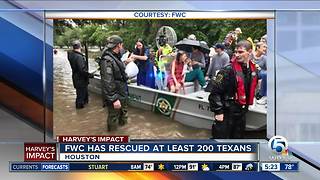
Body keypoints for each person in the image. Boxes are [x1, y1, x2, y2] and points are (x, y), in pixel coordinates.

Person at [208, 40, 258, 139]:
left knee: (237, 140)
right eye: (236, 52)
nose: (237, 55)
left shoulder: (253, 70)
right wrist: (218, 112)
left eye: (240, 52)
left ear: (250, 52)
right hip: (226, 112)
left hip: (241, 113)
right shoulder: (227, 70)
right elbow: (214, 93)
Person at [99, 35, 128, 131]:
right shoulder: (107, 60)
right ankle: (112, 139)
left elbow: (118, 73)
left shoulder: (115, 57)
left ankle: (123, 137)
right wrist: (114, 99)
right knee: (113, 118)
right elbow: (107, 81)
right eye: (122, 45)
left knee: (123, 117)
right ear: (119, 45)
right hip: (115, 95)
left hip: (121, 93)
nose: (122, 47)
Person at [67, 40, 94, 109]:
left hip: (77, 79)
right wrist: (90, 75)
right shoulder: (78, 57)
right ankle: (80, 113)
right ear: (80, 46)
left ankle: (83, 112)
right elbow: (82, 70)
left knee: (82, 96)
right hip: (80, 80)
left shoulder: (71, 55)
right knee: (80, 98)